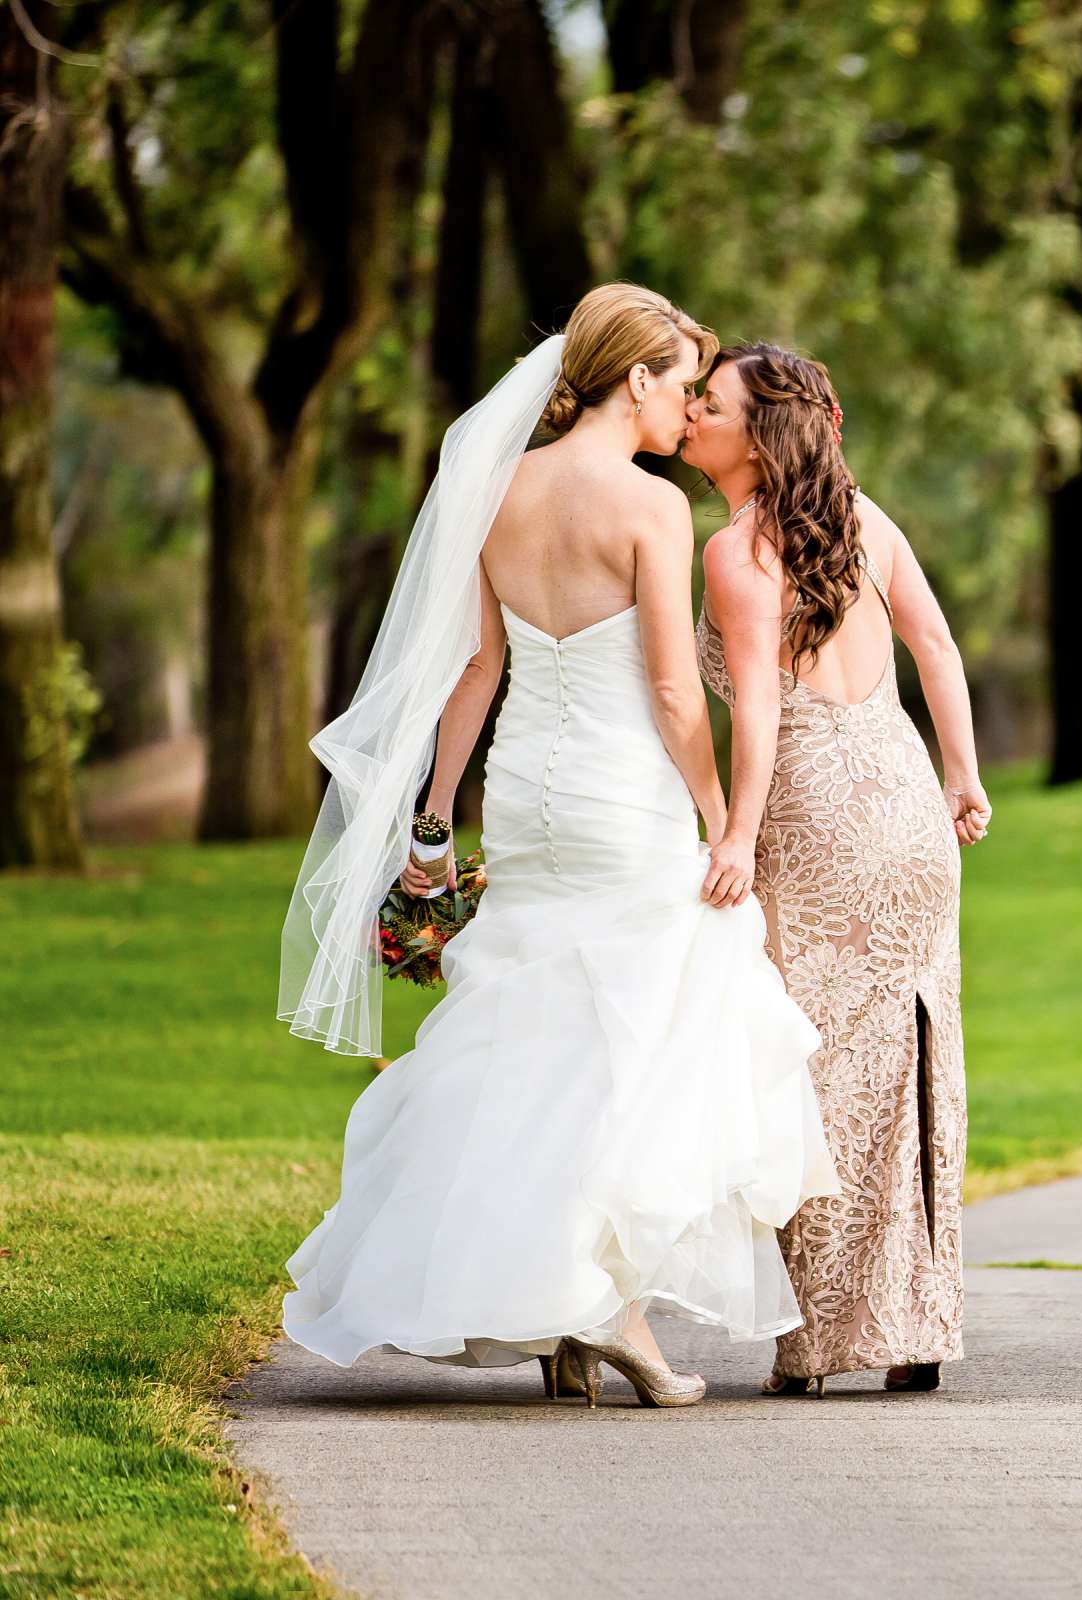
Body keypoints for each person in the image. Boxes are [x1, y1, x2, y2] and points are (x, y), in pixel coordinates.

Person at [277, 285, 839, 1408]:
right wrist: (720, 812)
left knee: (534, 1031)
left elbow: (475, 673)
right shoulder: (651, 509)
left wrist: (435, 821)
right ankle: (606, 1308)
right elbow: (678, 693)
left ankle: (568, 1324)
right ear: (635, 381)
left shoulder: (496, 491)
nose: (688, 412)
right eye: (682, 387)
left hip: (524, 794)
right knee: (635, 1038)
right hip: (622, 794)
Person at [683, 343, 988, 1395]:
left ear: (759, 431)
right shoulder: (868, 521)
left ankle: (817, 1345)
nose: (688, 415)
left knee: (806, 1067)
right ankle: (915, 1330)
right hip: (907, 807)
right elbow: (938, 650)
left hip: (815, 821)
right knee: (911, 1061)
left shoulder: (735, 552)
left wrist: (734, 836)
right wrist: (963, 777)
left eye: (708, 404)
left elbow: (759, 716)